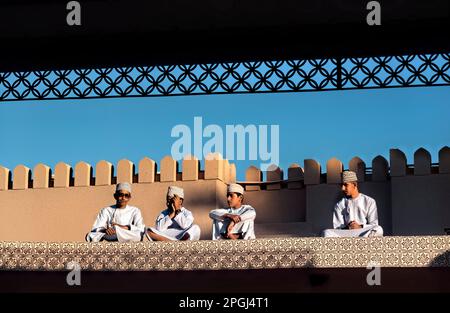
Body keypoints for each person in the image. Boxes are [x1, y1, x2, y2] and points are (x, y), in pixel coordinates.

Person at [322, 171, 383, 237]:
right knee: (326, 232)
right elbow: (337, 227)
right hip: (346, 234)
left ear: (355, 184)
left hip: (362, 232)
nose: (342, 188)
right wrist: (348, 227)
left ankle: (361, 242)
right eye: (341, 185)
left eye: (346, 185)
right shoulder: (339, 204)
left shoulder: (369, 201)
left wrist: (360, 226)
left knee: (378, 229)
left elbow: (374, 224)